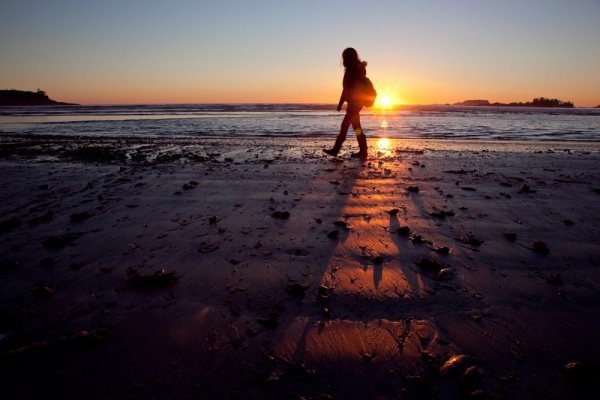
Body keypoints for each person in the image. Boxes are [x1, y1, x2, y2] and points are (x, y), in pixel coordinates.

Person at [323, 47, 369, 159]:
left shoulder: (352, 71)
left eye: (344, 56)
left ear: (347, 57)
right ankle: (363, 150)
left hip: (354, 103)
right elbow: (348, 89)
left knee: (344, 126)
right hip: (356, 103)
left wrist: (340, 104)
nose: (342, 59)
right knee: (356, 127)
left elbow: (347, 89)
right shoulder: (357, 69)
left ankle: (336, 149)